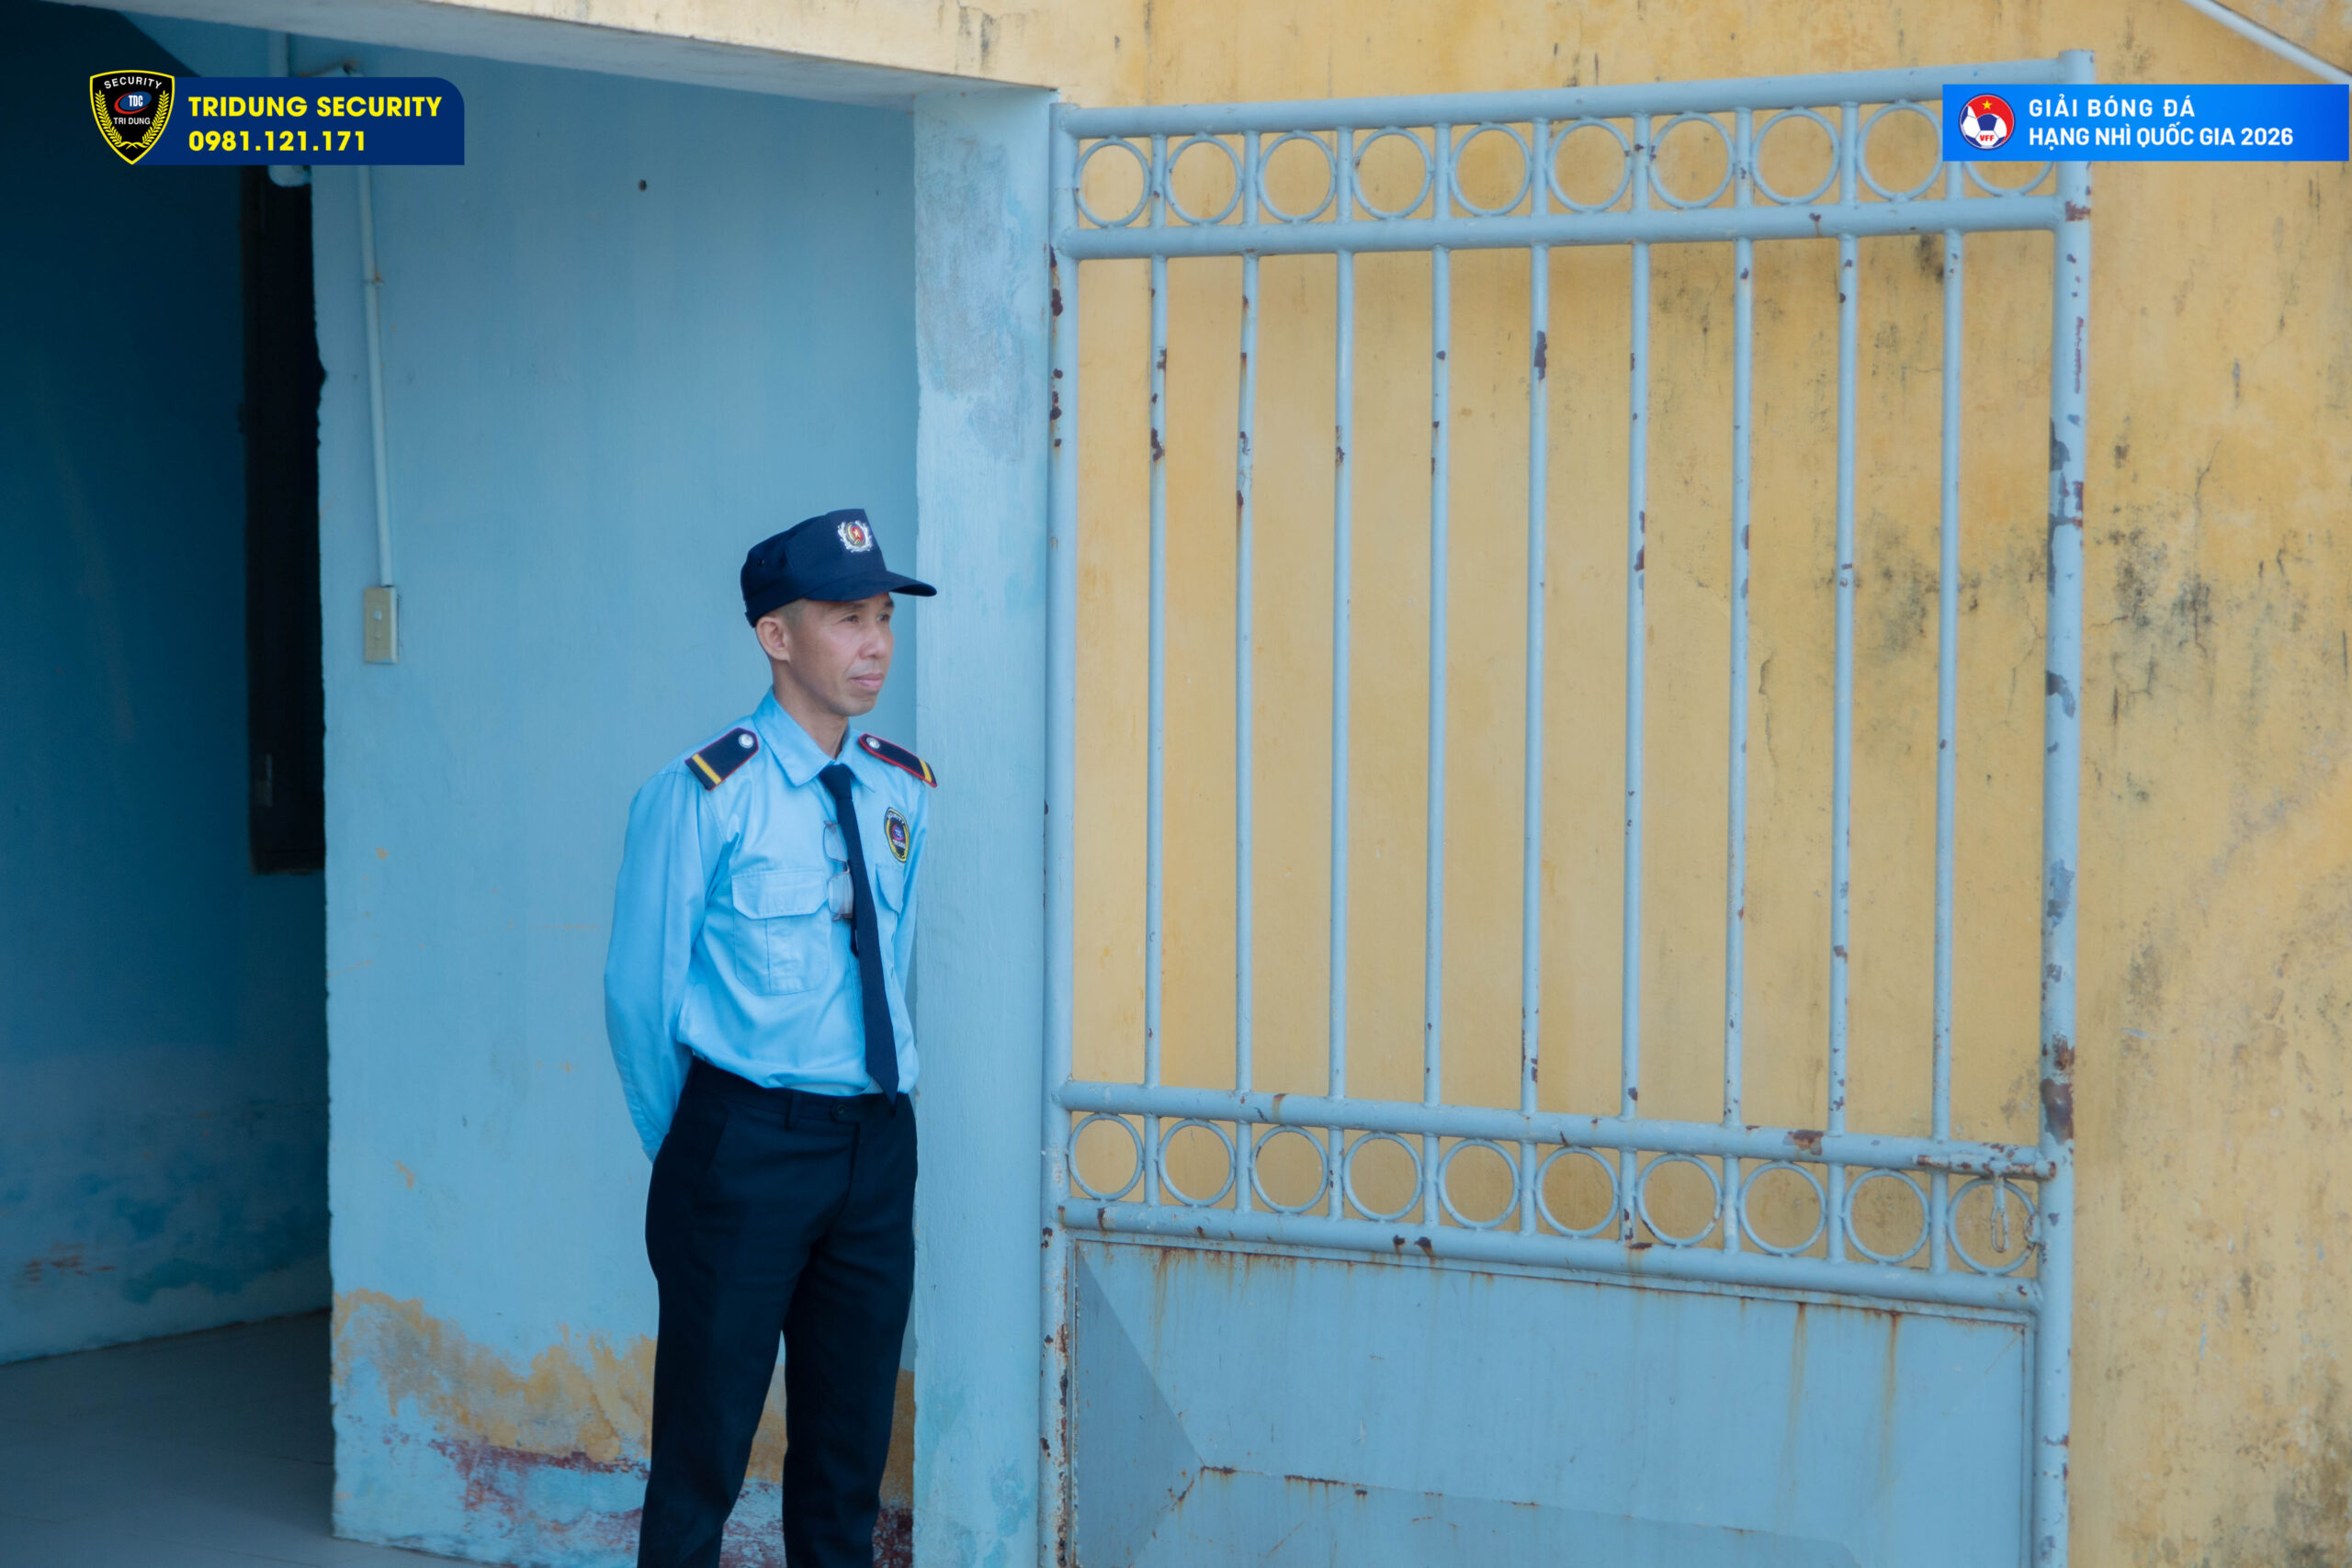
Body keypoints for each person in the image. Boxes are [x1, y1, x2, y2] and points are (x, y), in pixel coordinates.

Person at [604, 508, 938, 1568]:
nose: (875, 644)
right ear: (776, 636)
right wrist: (697, 1147)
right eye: (847, 619)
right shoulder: (706, 795)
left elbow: (889, 960)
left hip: (875, 1147)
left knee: (847, 1462)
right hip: (742, 1146)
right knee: (700, 1459)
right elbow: (637, 996)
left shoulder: (900, 787)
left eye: (883, 617)